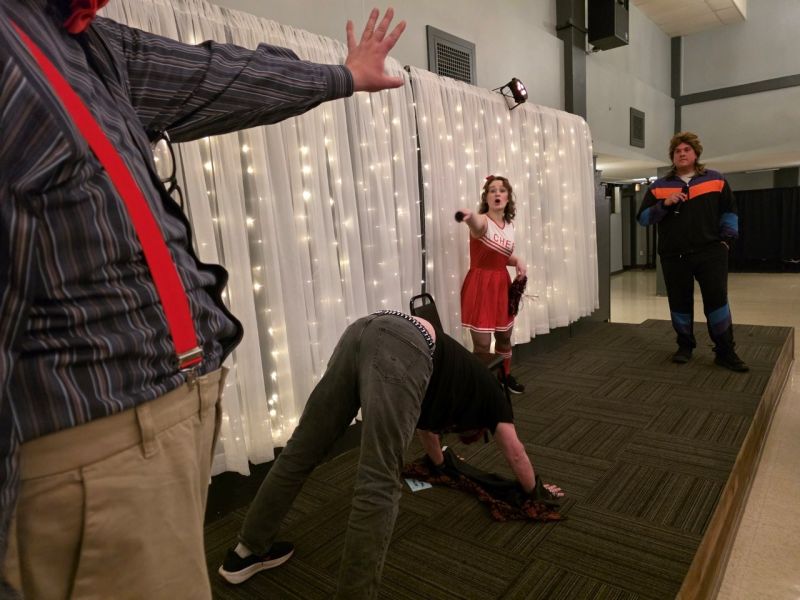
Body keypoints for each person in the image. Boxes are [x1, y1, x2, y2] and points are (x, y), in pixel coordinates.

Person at [0, 1, 406, 597]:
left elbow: (214, 76)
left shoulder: (78, 40)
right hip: (96, 455)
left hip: (158, 434)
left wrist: (342, 76)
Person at [218, 310, 562, 598]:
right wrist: (536, 492)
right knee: (379, 478)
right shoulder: (494, 397)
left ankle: (247, 551)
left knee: (300, 451)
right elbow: (516, 453)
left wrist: (441, 466)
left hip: (361, 331)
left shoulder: (454, 385)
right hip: (403, 345)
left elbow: (426, 429)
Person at [637, 132, 748, 372]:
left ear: (696, 154)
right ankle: (685, 346)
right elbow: (643, 218)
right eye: (677, 151)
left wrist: (726, 241)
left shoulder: (716, 180)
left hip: (711, 253)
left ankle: (725, 351)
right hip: (673, 256)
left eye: (686, 149)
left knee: (717, 302)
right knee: (679, 302)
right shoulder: (659, 187)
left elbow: (730, 212)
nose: (682, 154)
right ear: (672, 157)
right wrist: (664, 204)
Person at [457, 175, 528, 393]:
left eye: (502, 190)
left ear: (508, 197)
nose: (497, 193)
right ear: (486, 197)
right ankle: (482, 387)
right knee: (482, 345)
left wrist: (517, 260)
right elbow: (476, 224)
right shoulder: (482, 222)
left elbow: (501, 256)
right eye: (492, 190)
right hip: (480, 286)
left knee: (504, 337)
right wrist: (468, 216)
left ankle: (504, 376)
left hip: (501, 285)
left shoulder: (509, 226)